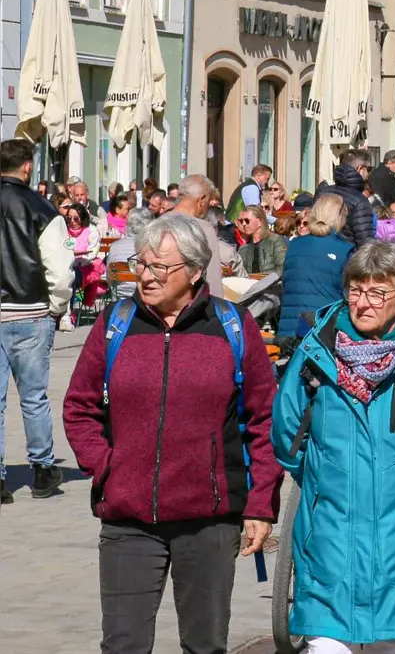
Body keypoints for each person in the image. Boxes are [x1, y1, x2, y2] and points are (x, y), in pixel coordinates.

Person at [62, 212, 282, 653]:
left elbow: (265, 421)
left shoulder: (232, 326)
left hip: (209, 520)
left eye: (160, 267)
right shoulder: (116, 323)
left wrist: (260, 505)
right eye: (141, 264)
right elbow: (79, 407)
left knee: (204, 644)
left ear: (196, 271)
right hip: (128, 518)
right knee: (123, 645)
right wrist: (107, 467)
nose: (146, 276)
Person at [271, 242, 395, 654]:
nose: (363, 303)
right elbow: (288, 433)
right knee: (326, 644)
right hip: (329, 532)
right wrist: (322, 477)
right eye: (356, 290)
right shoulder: (315, 353)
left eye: (378, 292)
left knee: (392, 642)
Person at [0, 139, 72, 502]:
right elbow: (59, 269)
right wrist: (57, 307)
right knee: (34, 397)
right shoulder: (42, 208)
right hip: (31, 310)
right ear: (28, 167)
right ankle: (43, 469)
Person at [280, 196, 356, 353]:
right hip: (323, 331)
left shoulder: (294, 245)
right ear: (340, 217)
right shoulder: (344, 249)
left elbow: (287, 285)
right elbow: (350, 293)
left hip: (289, 331)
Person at [174, 174, 242, 294]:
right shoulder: (204, 229)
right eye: (209, 201)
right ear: (202, 199)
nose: (209, 206)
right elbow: (212, 281)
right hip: (191, 300)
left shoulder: (155, 224)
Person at [318, 150, 377, 247]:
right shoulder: (360, 201)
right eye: (369, 169)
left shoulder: (322, 193)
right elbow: (365, 243)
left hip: (320, 250)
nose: (369, 174)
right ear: (360, 168)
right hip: (347, 253)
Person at [64, 202, 107, 325]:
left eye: (76, 218)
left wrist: (76, 256)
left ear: (82, 218)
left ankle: (68, 313)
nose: (72, 221)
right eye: (69, 218)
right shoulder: (65, 232)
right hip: (67, 265)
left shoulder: (92, 231)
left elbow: (91, 254)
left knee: (71, 276)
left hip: (86, 268)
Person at [108, 208, 155, 302]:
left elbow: (109, 277)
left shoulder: (114, 246)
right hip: (145, 296)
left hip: (119, 297)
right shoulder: (152, 247)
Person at [237, 204, 288, 276]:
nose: (244, 224)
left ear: (259, 222)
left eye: (247, 220)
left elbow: (281, 269)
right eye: (241, 221)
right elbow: (241, 274)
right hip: (250, 282)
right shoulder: (243, 248)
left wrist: (264, 281)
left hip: (272, 283)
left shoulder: (276, 241)